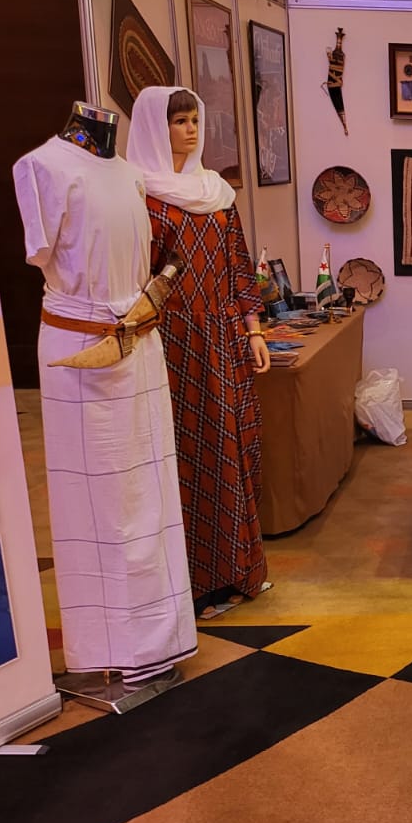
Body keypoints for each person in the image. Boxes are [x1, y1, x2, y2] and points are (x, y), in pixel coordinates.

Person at [12, 101, 195, 689]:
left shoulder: (129, 174)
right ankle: (108, 645)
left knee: (149, 494)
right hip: (82, 346)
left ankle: (159, 638)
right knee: (96, 503)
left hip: (138, 340)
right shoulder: (41, 167)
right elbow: (48, 257)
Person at [126, 85, 272, 620]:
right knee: (190, 456)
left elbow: (238, 268)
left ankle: (240, 569)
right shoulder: (140, 197)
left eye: (193, 120)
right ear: (153, 127)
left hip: (225, 338)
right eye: (178, 121)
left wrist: (254, 330)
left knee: (234, 447)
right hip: (172, 344)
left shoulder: (216, 193)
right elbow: (137, 277)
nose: (190, 130)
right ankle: (194, 583)